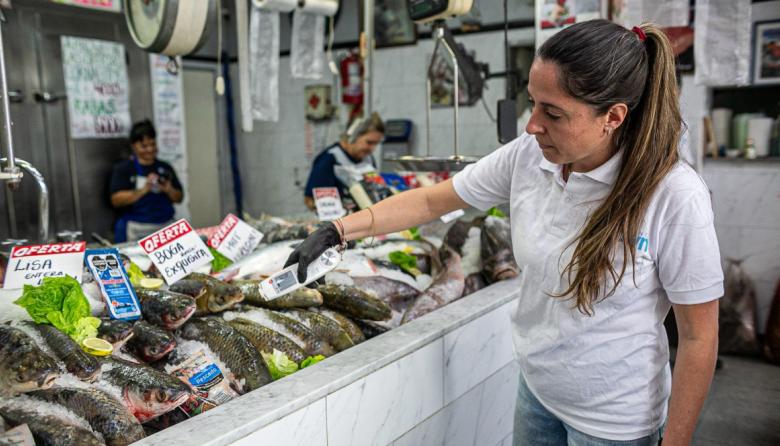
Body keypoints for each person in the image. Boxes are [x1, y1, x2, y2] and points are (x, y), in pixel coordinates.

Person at [286, 20, 722, 445]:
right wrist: (338, 228)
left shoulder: (674, 195)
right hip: (537, 394)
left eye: (553, 113)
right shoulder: (530, 156)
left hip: (615, 422)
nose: (532, 125)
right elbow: (432, 201)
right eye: (532, 103)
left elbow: (699, 338)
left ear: (613, 116)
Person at [110, 119, 183, 243]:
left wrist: (169, 189)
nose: (150, 149)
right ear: (133, 146)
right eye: (144, 146)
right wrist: (143, 190)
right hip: (135, 228)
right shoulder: (123, 168)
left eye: (153, 144)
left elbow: (179, 198)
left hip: (166, 227)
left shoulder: (165, 167)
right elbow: (116, 200)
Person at [303, 113, 385, 211]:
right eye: (369, 142)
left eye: (376, 144)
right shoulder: (330, 159)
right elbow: (310, 200)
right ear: (352, 136)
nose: (372, 149)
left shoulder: (368, 159)